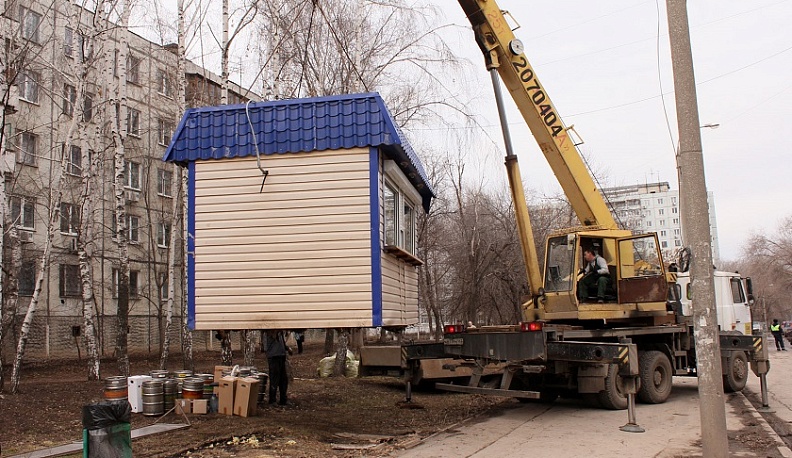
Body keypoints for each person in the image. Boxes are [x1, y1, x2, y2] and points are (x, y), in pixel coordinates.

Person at [265, 330, 290, 405]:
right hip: (273, 357)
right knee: (274, 379)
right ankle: (272, 400)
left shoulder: (280, 332)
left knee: (284, 380)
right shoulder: (270, 332)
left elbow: (281, 342)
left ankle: (283, 400)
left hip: (281, 356)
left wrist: (287, 348)